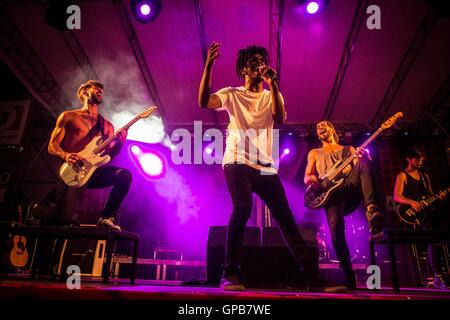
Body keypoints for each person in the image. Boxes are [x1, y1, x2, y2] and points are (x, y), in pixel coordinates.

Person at [199, 42, 325, 291]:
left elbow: (280, 119)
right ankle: (230, 272)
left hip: (265, 165)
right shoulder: (232, 94)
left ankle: (310, 275)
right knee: (243, 209)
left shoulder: (271, 95)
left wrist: (274, 85)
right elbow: (204, 101)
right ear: (244, 69)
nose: (259, 63)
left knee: (285, 217)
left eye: (262, 59)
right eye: (253, 60)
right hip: (237, 161)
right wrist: (209, 66)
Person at [303, 120, 384, 290]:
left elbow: (361, 169)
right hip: (332, 193)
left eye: (324, 125)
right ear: (318, 135)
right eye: (318, 128)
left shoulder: (349, 150)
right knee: (336, 232)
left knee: (363, 162)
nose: (320, 128)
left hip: (350, 188)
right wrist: (313, 180)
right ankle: (348, 276)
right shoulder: (315, 153)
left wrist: (366, 157)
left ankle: (372, 210)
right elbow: (307, 176)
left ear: (332, 130)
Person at [47, 80, 132, 231]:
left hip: (92, 173)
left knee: (124, 175)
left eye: (101, 89)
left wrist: (120, 143)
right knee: (60, 222)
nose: (100, 91)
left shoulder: (106, 126)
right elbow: (52, 146)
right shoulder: (69, 116)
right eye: (96, 88)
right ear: (85, 92)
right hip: (71, 173)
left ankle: (106, 217)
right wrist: (65, 155)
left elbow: (108, 157)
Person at [393, 147, 448, 289]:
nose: (420, 162)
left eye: (421, 160)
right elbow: (397, 196)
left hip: (427, 215)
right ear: (409, 159)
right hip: (411, 215)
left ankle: (437, 276)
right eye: (417, 160)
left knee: (436, 240)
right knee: (424, 244)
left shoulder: (425, 176)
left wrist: (438, 197)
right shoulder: (402, 175)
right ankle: (420, 277)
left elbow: (430, 196)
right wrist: (412, 202)